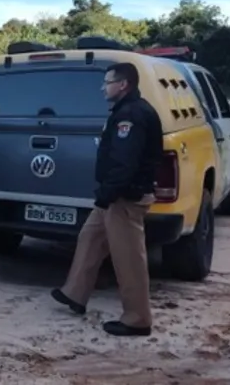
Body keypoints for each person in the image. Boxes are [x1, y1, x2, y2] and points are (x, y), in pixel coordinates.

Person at [51, 62, 163, 337]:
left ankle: (137, 319)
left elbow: (125, 163)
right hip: (114, 195)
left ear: (123, 84)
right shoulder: (124, 111)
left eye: (107, 82)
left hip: (125, 197)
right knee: (89, 238)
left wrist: (109, 193)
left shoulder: (132, 115)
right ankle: (75, 294)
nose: (103, 87)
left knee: (129, 261)